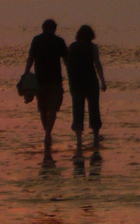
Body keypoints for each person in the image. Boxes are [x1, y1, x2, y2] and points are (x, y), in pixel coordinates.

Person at [23, 19, 68, 158]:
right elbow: (66, 61)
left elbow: (31, 58)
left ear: (43, 28)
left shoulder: (36, 40)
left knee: (42, 108)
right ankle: (48, 133)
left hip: (40, 79)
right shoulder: (59, 41)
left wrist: (26, 73)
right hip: (55, 79)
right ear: (54, 29)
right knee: (53, 108)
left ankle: (46, 133)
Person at [66, 24, 107, 143]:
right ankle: (95, 136)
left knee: (77, 109)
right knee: (94, 108)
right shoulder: (92, 47)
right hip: (91, 81)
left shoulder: (72, 47)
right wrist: (102, 81)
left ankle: (79, 139)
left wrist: (70, 82)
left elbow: (69, 65)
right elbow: (97, 64)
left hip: (77, 83)